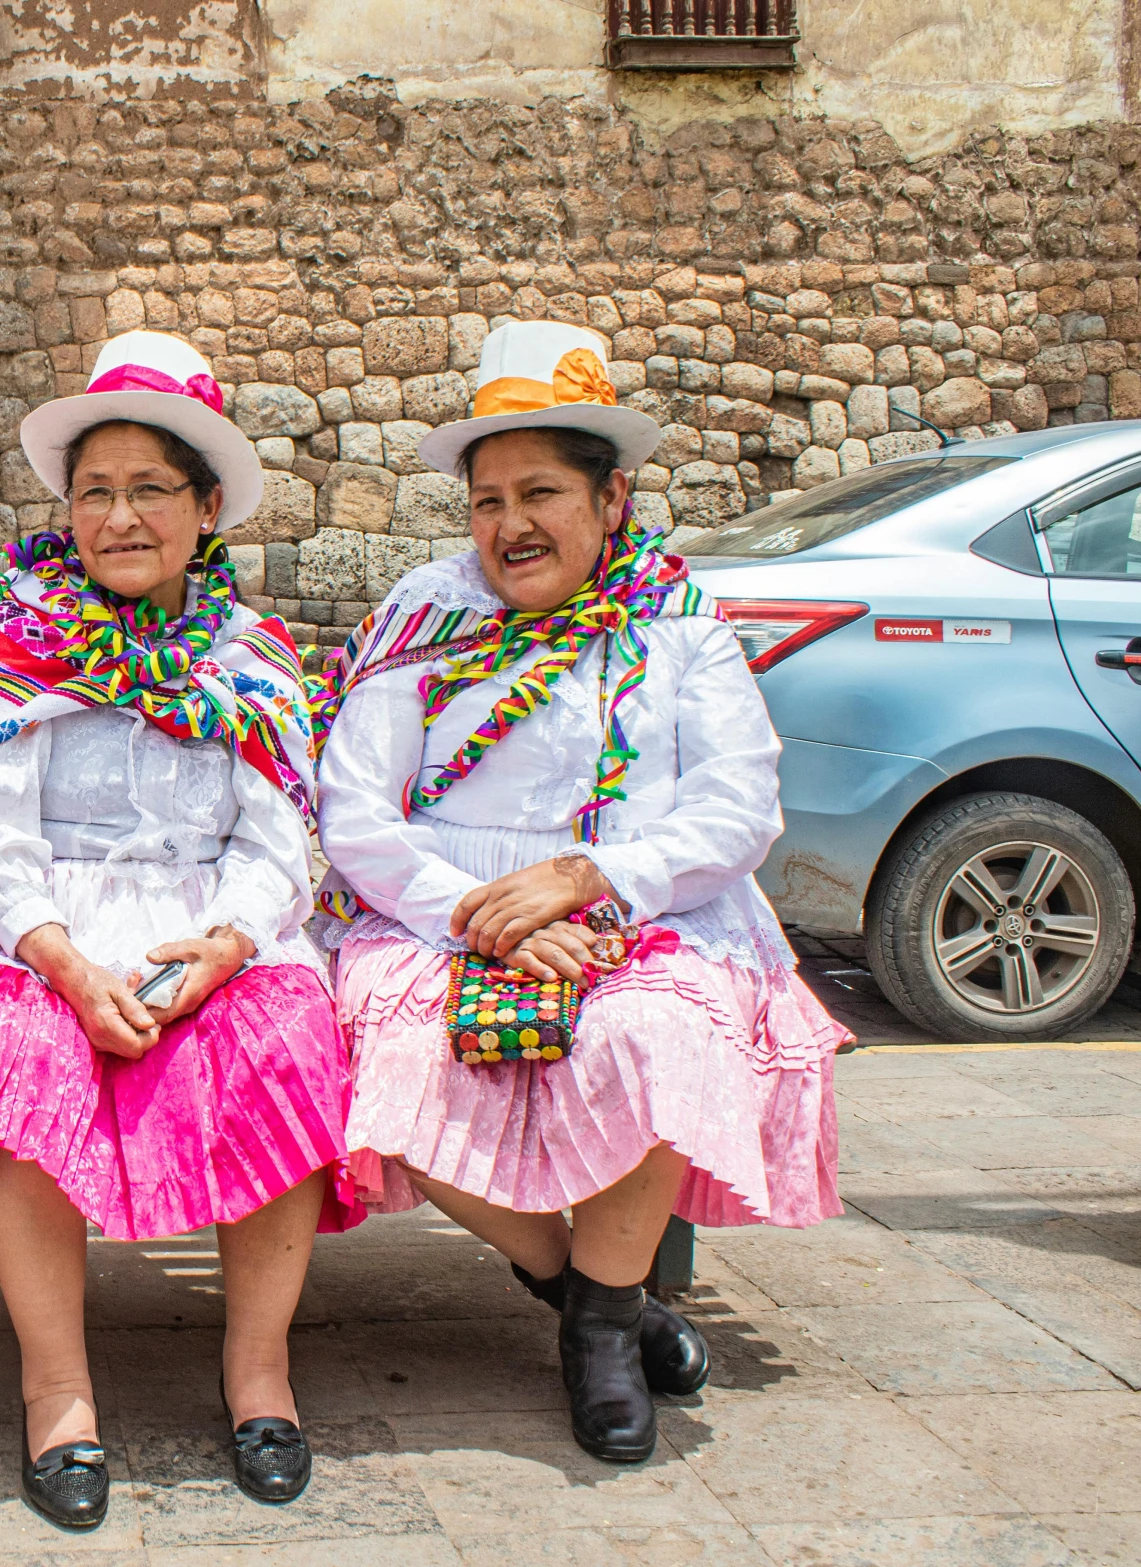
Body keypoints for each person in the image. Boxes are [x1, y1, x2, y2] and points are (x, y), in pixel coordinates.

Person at [313, 321, 851, 1467]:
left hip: (643, 908)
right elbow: (356, 811)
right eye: (486, 499)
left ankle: (599, 1338)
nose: (509, 525)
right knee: (388, 1071)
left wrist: (589, 879)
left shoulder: (677, 626)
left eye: (541, 492)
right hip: (440, 907)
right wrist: (482, 913)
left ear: (611, 500)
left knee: (656, 1040)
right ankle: (602, 1298)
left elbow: (738, 806)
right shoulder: (424, 619)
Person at [0, 331, 361, 1530]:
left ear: (207, 505)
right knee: (19, 1055)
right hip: (48, 927)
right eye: (94, 493)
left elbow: (279, 840)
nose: (119, 517)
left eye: (149, 490)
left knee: (283, 1036)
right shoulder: (14, 645)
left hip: (206, 927)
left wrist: (224, 947)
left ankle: (258, 1373)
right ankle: (58, 1392)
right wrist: (62, 962)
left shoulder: (253, 660)